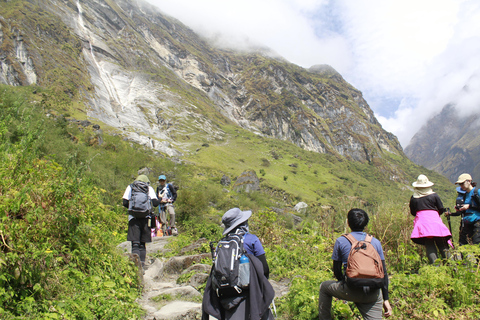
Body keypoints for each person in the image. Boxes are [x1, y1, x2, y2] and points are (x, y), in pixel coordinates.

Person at [318, 208, 392, 320]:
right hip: (372, 294)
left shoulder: (341, 241)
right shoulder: (375, 242)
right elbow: (384, 272)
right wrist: (386, 299)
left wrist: (343, 284)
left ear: (348, 222)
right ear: (365, 224)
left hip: (350, 289)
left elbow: (336, 270)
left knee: (324, 287)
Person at [202, 208, 274, 320]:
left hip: (225, 295)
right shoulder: (251, 240)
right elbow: (264, 268)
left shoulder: (221, 243)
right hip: (248, 292)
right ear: (243, 223)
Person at [409, 174, 452, 264]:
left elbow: (413, 212)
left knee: (429, 244)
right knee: (442, 243)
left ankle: (435, 267)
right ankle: (451, 265)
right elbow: (441, 209)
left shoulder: (414, 198)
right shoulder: (434, 196)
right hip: (435, 221)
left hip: (422, 223)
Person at [122, 175, 159, 271]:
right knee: (142, 244)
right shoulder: (148, 188)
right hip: (146, 218)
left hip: (133, 218)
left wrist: (133, 209)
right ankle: (142, 266)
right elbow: (155, 203)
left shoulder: (131, 187)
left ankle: (135, 267)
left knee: (135, 244)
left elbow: (124, 202)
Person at [445, 173, 480, 245]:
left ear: (469, 181)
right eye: (460, 184)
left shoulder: (477, 192)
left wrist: (469, 206)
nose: (461, 185)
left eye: (462, 183)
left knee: (476, 243)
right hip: (467, 222)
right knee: (462, 243)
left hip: (477, 221)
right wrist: (460, 209)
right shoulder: (464, 195)